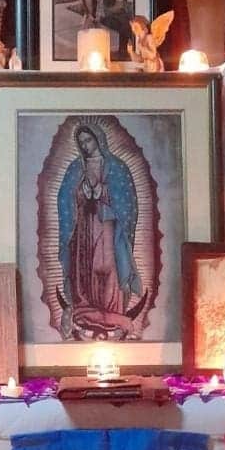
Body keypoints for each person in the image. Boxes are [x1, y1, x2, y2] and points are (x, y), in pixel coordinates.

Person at [56, 123, 142, 339]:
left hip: (108, 226)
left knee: (107, 266)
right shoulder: (76, 168)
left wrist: (106, 193)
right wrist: (80, 193)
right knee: (85, 267)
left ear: (98, 139)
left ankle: (112, 311)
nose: (85, 145)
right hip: (84, 227)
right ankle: (87, 308)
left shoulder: (117, 167)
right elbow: (64, 198)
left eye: (89, 140)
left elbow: (128, 201)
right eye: (82, 142)